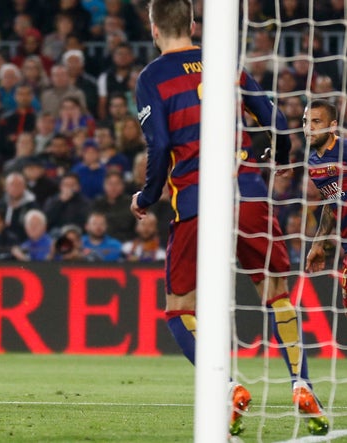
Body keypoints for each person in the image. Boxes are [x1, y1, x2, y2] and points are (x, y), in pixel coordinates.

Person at [129, 0, 327, 436]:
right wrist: (275, 156)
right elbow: (275, 121)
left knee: (179, 309)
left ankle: (228, 387)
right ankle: (302, 385)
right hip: (250, 193)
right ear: (194, 23)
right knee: (276, 292)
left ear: (154, 28)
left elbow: (159, 145)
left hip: (198, 200)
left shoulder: (152, 78)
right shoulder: (224, 63)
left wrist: (147, 194)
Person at [304, 100, 347, 312]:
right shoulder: (313, 163)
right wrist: (318, 243)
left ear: (332, 125)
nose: (308, 127)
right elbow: (331, 202)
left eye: (316, 121)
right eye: (305, 121)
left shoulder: (345, 150)